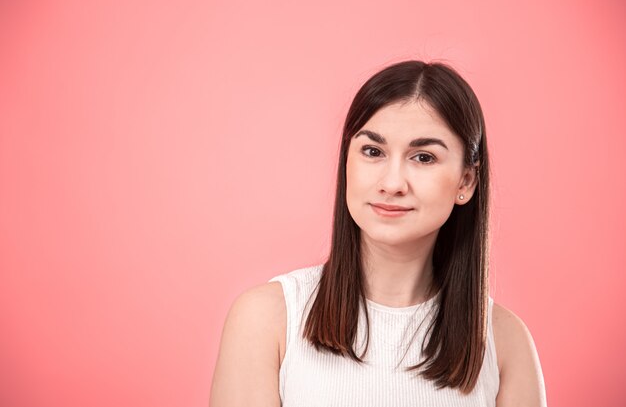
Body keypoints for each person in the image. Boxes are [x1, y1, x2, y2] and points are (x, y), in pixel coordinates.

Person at [209, 60, 547, 407]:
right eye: (373, 152)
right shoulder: (266, 320)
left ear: (466, 181)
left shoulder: (505, 344)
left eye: (424, 157)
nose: (392, 183)